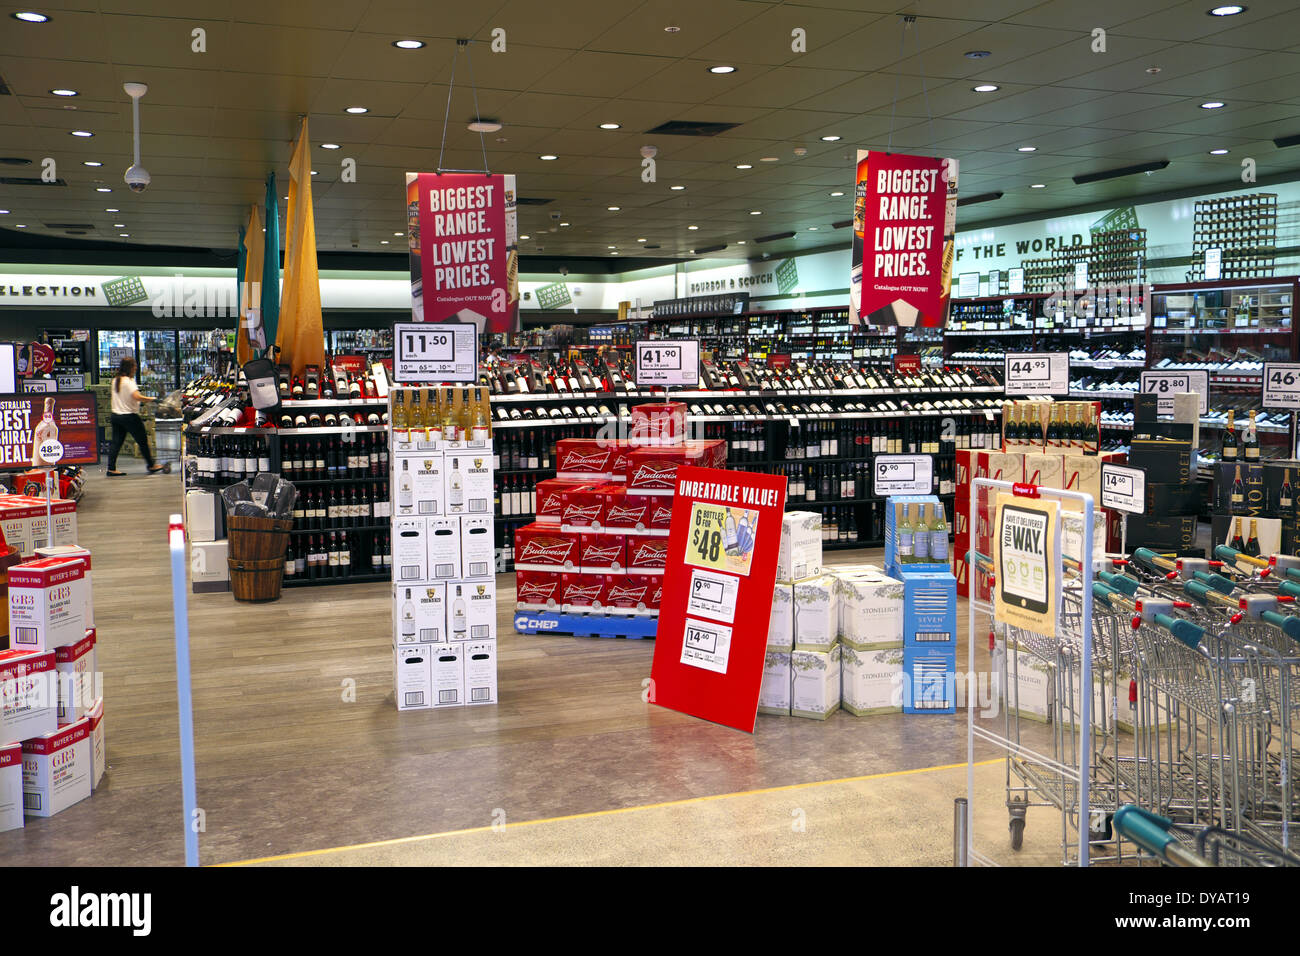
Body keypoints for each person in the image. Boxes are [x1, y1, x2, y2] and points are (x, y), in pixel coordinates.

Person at [108, 356, 165, 476]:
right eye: (134, 366)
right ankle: (151, 465)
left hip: (116, 416)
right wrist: (153, 399)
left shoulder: (116, 380)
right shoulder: (128, 382)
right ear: (130, 368)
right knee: (143, 441)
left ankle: (111, 468)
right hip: (129, 417)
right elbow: (137, 396)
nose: (136, 368)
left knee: (116, 443)